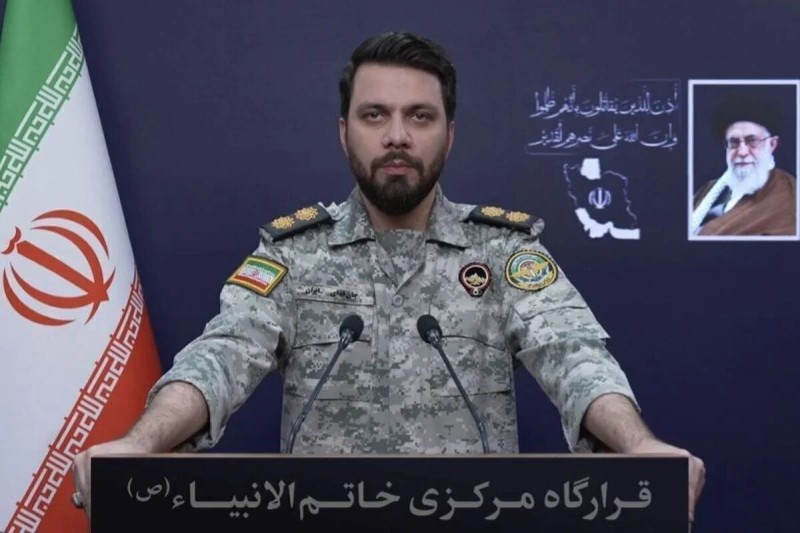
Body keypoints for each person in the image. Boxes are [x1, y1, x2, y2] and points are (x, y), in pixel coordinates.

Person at [73, 31, 705, 521]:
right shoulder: (294, 254)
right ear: (344, 132)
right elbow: (223, 354)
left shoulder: (502, 252)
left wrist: (639, 448)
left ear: (449, 136)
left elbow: (573, 356)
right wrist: (140, 444)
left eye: (420, 117)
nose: (397, 136)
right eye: (375, 115)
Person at [691, 91, 797, 236]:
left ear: (772, 144)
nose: (742, 152)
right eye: (734, 142)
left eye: (752, 141)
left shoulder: (790, 196)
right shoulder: (707, 190)